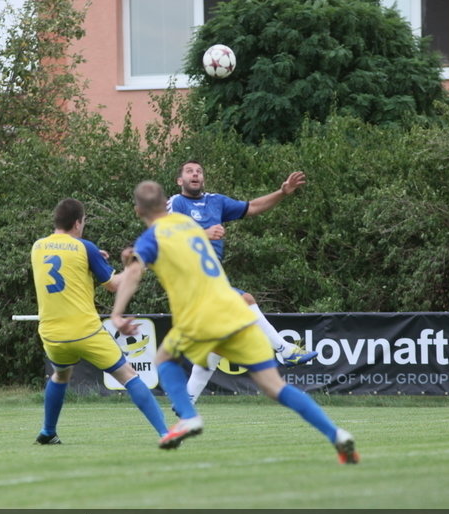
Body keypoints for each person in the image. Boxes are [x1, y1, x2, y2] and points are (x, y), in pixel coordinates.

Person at [110, 180, 359, 463]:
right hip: (235, 310)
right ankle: (336, 435)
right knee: (276, 387)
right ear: (165, 202)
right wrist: (136, 256)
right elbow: (179, 253)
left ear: (137, 210)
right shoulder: (187, 224)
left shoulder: (152, 237)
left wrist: (118, 313)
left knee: (164, 359)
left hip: (201, 313)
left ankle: (188, 416)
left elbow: (133, 275)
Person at [168, 160, 317, 402]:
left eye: (199, 171)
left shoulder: (216, 201)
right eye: (189, 171)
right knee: (244, 299)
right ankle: (285, 350)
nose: (195, 174)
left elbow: (252, 207)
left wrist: (282, 192)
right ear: (179, 180)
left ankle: (186, 402)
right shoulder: (177, 203)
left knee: (216, 347)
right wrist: (202, 234)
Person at [30, 198, 168, 444]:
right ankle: (166, 433)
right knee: (128, 375)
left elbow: (66, 265)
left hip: (51, 334)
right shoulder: (85, 248)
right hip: (85, 331)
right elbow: (115, 286)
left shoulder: (38, 247)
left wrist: (94, 258)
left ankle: (48, 432)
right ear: (77, 223)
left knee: (60, 376)